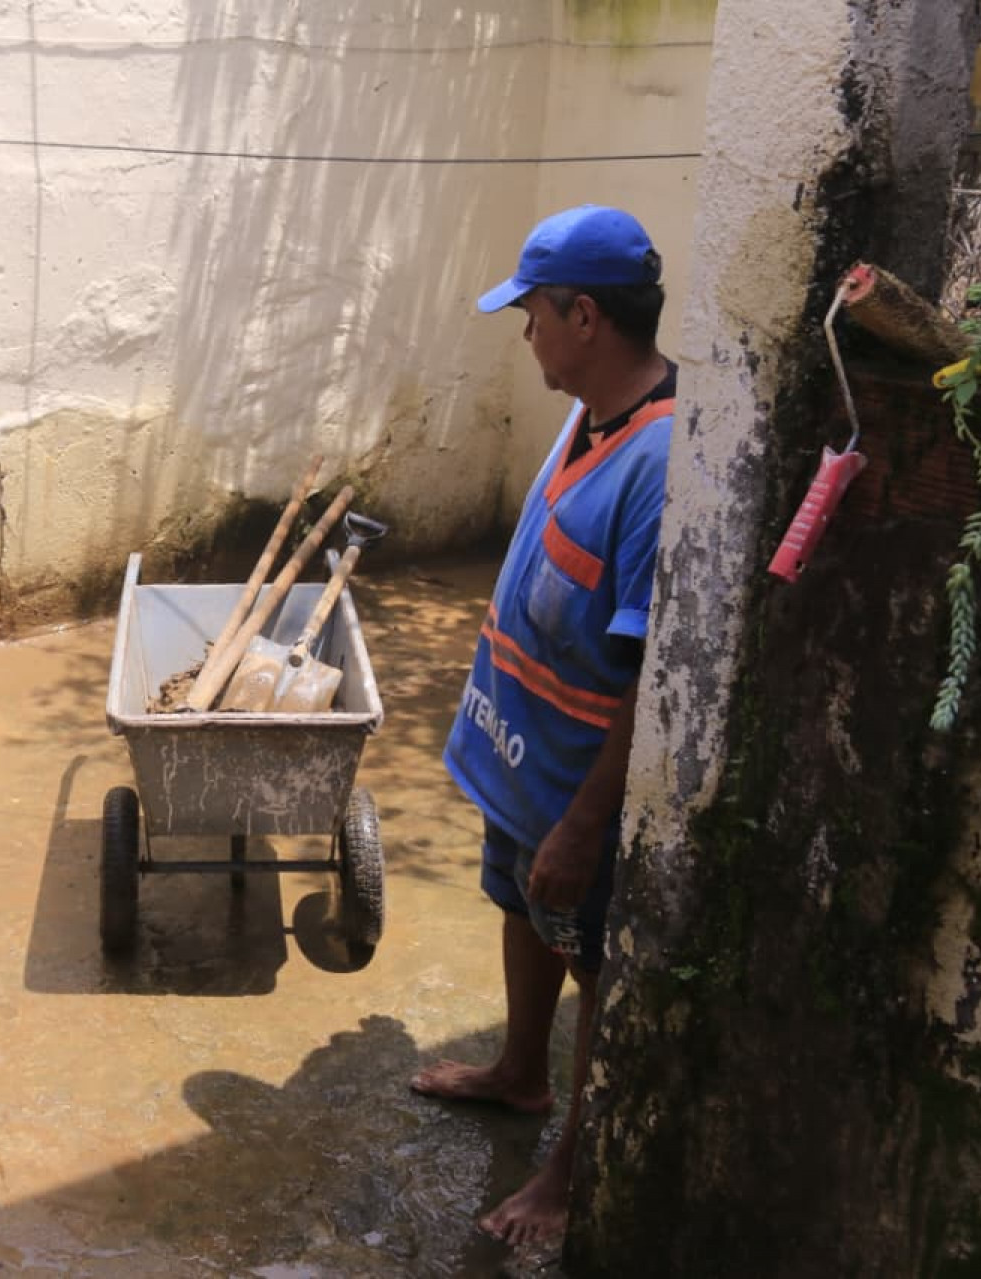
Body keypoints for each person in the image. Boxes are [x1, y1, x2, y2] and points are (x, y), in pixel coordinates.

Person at [409, 205, 675, 1247]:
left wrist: (581, 824)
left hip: (576, 790)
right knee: (519, 907)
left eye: (531, 314)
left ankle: (568, 1168)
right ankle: (521, 1072)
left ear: (585, 315)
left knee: (592, 960)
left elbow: (652, 669)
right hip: (522, 766)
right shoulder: (588, 409)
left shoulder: (658, 464)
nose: (525, 335)